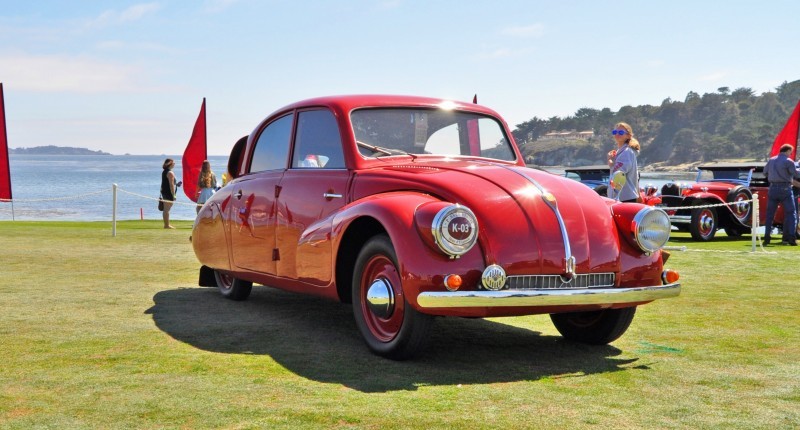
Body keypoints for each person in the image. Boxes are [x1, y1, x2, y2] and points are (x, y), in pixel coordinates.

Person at [763, 144, 800, 246]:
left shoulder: (771, 160)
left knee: (770, 215)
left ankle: (766, 238)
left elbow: (765, 172)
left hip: (773, 188)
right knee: (791, 213)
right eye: (791, 152)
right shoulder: (788, 161)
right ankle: (792, 239)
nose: (791, 154)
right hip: (785, 189)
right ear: (788, 150)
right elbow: (796, 174)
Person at [606, 122, 640, 202]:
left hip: (624, 197)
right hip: (625, 196)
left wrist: (609, 160)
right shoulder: (623, 151)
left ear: (628, 135)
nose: (617, 134)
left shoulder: (627, 152)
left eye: (621, 132)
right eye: (615, 132)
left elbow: (618, 173)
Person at [160, 158, 179, 229]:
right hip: (168, 193)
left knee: (166, 209)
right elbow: (171, 185)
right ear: (170, 164)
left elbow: (170, 183)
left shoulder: (165, 171)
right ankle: (166, 225)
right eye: (173, 163)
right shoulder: (170, 173)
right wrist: (174, 195)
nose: (174, 164)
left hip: (164, 192)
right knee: (167, 209)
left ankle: (166, 224)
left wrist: (176, 184)